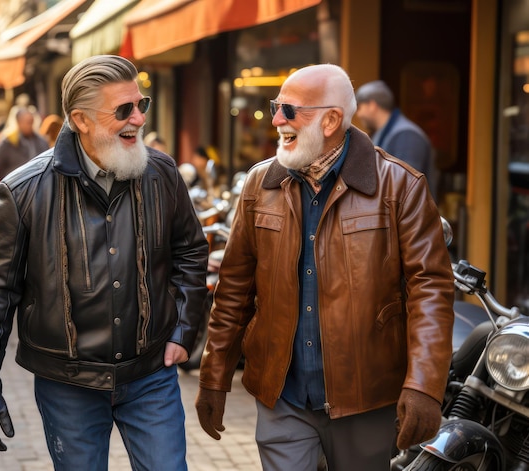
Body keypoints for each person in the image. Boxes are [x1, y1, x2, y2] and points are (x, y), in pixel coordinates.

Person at [195, 64, 455, 470]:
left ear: (332, 119)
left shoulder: (401, 186)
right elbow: (234, 289)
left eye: (289, 110)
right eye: (276, 107)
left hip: (365, 397)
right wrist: (214, 376)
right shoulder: (259, 185)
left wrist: (424, 385)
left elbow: (431, 293)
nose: (277, 119)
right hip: (283, 396)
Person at [0, 54, 209, 471]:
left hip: (151, 374)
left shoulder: (163, 173)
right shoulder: (23, 190)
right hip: (67, 385)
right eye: (123, 110)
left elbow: (191, 251)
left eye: (141, 104)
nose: (138, 118)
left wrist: (184, 331)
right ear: (81, 120)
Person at [355, 80, 437, 199]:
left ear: (372, 106)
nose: (358, 114)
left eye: (359, 107)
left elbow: (406, 187)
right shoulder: (384, 133)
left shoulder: (407, 135)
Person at [0, 107, 49, 180]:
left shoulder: (41, 141)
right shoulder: (8, 141)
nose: (31, 125)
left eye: (32, 122)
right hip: (15, 185)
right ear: (19, 122)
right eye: (28, 122)